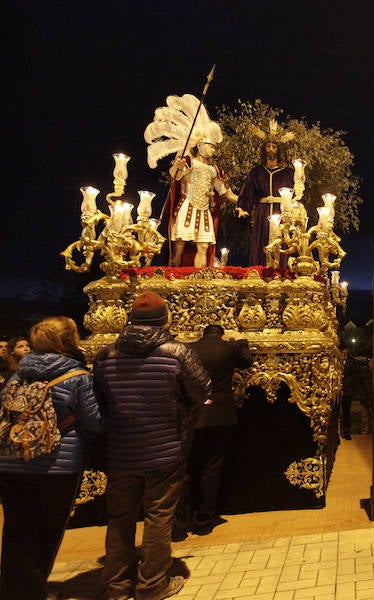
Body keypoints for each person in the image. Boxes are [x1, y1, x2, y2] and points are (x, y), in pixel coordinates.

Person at [93, 292, 211, 600]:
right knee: (159, 516)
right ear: (164, 319)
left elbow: (99, 400)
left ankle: (117, 586)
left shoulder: (106, 354)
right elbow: (201, 390)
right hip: (165, 447)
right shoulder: (176, 352)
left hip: (121, 450)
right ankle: (152, 585)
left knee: (120, 518)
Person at [0, 317, 105, 600]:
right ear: (68, 340)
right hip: (57, 464)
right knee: (48, 532)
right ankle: (32, 591)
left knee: (16, 532)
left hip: (11, 463)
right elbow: (95, 422)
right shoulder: (78, 377)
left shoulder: (17, 375)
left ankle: (13, 591)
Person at [174, 324, 252, 540]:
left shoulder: (187, 349)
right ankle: (204, 522)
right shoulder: (228, 349)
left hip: (193, 413)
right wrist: (241, 340)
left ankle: (180, 524)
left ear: (202, 334)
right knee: (212, 467)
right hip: (219, 414)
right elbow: (246, 362)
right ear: (222, 335)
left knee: (185, 469)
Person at [168, 139, 241, 268]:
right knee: (179, 245)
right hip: (187, 206)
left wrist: (245, 203)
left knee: (203, 246)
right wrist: (177, 167)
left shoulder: (214, 170)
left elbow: (228, 194)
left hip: (204, 211)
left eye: (214, 147)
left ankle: (199, 278)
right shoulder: (189, 162)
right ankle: (173, 275)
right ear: (200, 145)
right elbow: (175, 176)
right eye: (210, 146)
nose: (213, 150)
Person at [237, 122, 297, 266]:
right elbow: (247, 191)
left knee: (280, 244)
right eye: (268, 146)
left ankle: (280, 273)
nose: (270, 149)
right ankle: (259, 271)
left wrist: (295, 212)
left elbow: (297, 195)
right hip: (262, 213)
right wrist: (243, 208)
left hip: (282, 212)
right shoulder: (256, 172)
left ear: (279, 150)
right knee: (261, 242)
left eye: (274, 147)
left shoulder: (288, 173)